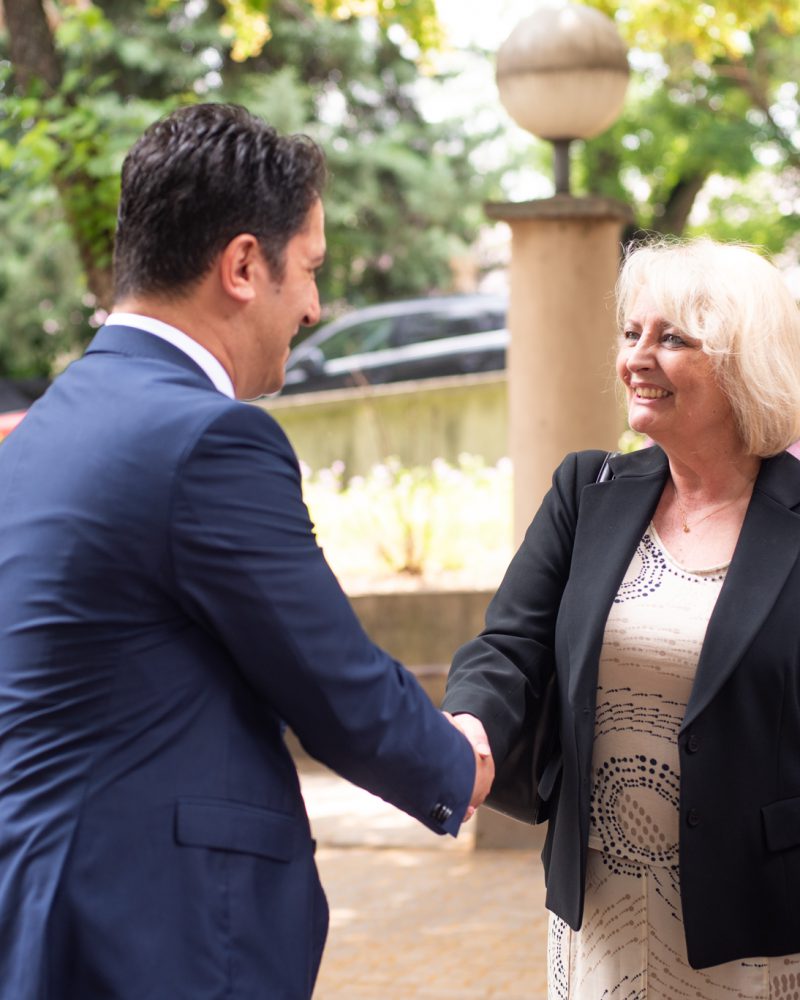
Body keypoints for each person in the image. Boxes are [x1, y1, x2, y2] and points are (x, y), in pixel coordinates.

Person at [0, 103, 493, 1000]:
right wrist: (459, 762)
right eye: (308, 269)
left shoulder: (42, 431)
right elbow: (332, 679)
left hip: (49, 913)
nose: (313, 306)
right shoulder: (209, 439)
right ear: (241, 266)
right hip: (156, 936)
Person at [444, 236, 800, 997]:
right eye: (631, 332)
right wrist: (471, 724)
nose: (637, 357)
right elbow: (508, 646)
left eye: (671, 339)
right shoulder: (586, 491)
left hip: (757, 915)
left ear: (743, 362)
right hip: (601, 904)